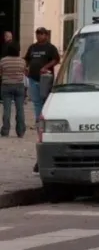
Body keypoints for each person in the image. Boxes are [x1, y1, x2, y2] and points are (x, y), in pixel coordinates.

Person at [24, 27, 60, 174]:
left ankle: (44, 117)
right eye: (37, 34)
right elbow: (27, 59)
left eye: (41, 34)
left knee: (44, 99)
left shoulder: (50, 48)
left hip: (45, 78)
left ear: (46, 35)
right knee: (36, 101)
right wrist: (26, 67)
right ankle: (39, 118)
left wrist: (46, 67)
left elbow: (56, 59)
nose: (39, 36)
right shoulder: (32, 47)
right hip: (32, 78)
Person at [0, 43, 26, 137]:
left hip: (6, 85)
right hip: (19, 86)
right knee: (20, 109)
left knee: (6, 109)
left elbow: (1, 72)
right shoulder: (22, 61)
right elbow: (24, 71)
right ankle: (20, 131)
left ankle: (5, 130)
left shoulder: (3, 61)